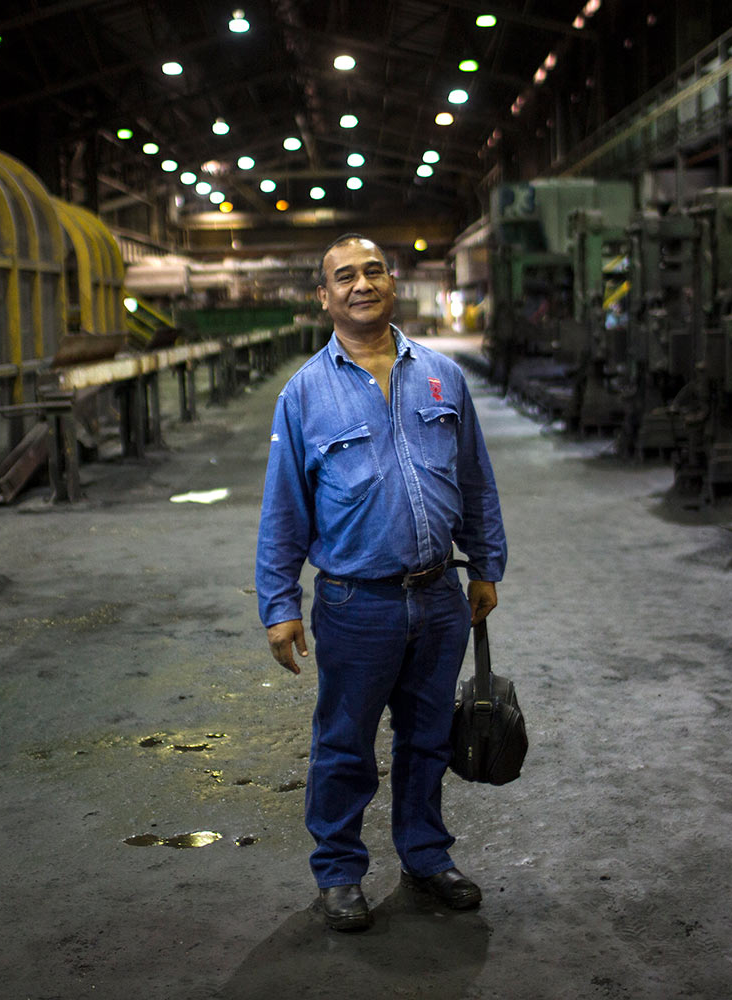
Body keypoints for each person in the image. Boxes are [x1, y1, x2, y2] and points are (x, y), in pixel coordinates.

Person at [255, 233, 507, 932]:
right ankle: (338, 872)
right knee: (345, 744)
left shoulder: (441, 375)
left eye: (373, 271)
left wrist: (484, 563)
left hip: (438, 595)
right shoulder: (305, 392)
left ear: (391, 282)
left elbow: (475, 479)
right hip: (354, 603)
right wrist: (280, 606)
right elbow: (284, 511)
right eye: (345, 277)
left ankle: (425, 858)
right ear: (325, 296)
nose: (361, 284)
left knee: (427, 740)